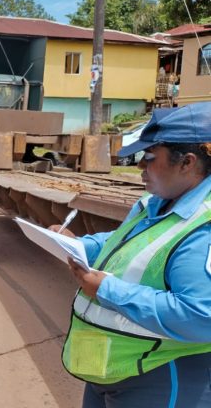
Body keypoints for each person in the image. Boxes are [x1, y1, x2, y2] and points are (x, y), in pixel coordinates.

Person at [50, 102, 211, 408]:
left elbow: (203, 316)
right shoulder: (156, 202)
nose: (140, 167)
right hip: (115, 366)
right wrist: (80, 245)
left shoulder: (205, 226)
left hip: (161, 375)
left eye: (149, 159)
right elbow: (125, 242)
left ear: (187, 163)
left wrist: (108, 290)